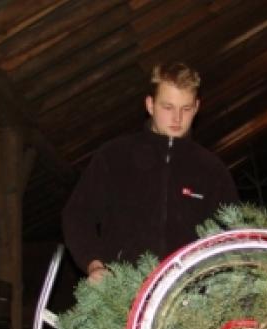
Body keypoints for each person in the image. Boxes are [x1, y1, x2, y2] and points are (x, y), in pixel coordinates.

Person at [62, 62, 238, 281]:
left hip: (189, 299)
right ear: (150, 104)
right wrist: (94, 265)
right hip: (120, 294)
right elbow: (77, 215)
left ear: (197, 107)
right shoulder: (114, 157)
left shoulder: (212, 170)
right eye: (168, 107)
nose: (177, 118)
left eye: (186, 108)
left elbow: (232, 236)